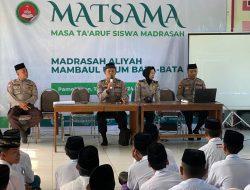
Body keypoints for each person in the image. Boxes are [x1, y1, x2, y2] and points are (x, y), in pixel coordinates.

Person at [96, 62, 130, 146]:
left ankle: (122, 138)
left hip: (117, 109)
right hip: (105, 109)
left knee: (123, 116)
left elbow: (125, 96)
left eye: (113, 71)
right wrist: (107, 89)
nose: (111, 73)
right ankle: (104, 138)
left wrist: (124, 99)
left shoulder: (121, 83)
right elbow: (100, 98)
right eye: (109, 71)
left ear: (115, 72)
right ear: (105, 72)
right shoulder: (101, 83)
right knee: (99, 117)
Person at [7, 63, 42, 143]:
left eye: (26, 71)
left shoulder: (31, 83)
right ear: (17, 73)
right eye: (23, 71)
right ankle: (22, 132)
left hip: (28, 105)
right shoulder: (11, 83)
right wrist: (20, 104)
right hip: (16, 106)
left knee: (39, 115)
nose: (26, 73)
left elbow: (35, 96)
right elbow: (10, 96)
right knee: (10, 116)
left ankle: (24, 128)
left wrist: (25, 103)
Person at [177, 64, 208, 139]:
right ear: (188, 72)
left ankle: (196, 129)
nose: (193, 73)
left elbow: (205, 94)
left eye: (195, 71)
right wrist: (186, 102)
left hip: (198, 106)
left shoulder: (201, 82)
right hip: (187, 105)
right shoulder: (183, 82)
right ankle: (190, 131)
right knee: (188, 112)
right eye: (191, 71)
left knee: (205, 113)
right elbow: (178, 95)